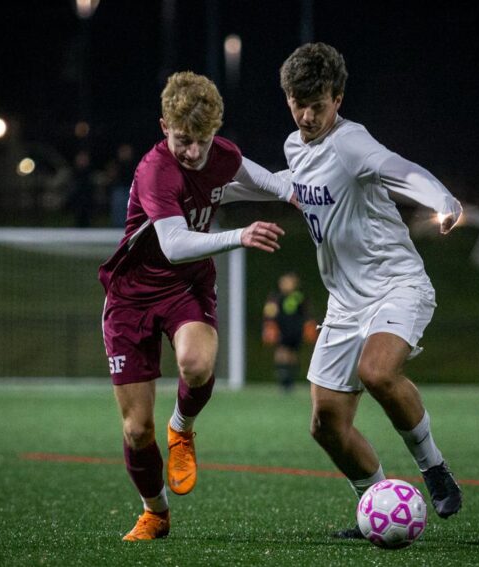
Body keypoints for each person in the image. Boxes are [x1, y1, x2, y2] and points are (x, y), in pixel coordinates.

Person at [278, 43, 464, 538]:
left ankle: (434, 468)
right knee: (325, 425)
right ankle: (375, 507)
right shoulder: (295, 148)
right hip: (345, 302)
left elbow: (396, 168)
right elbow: (285, 182)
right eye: (298, 102)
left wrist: (440, 197)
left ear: (338, 99)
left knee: (377, 371)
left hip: (397, 283)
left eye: (318, 104)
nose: (307, 114)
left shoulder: (351, 141)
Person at [99, 71, 294, 542]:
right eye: (183, 139)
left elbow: (274, 184)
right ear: (164, 125)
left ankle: (182, 428)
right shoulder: (155, 170)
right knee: (135, 428)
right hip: (130, 297)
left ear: (215, 132)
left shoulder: (223, 155)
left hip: (186, 287)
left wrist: (316, 192)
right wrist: (239, 235)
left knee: (196, 364)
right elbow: (172, 243)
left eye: (202, 141)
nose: (192, 151)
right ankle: (155, 512)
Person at [262, 271, 317, 391]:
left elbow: (306, 313)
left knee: (292, 354)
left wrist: (308, 325)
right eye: (283, 282)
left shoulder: (298, 297)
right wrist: (269, 324)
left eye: (288, 282)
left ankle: (290, 380)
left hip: (295, 330)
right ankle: (283, 380)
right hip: (281, 330)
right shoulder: (276, 297)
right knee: (281, 352)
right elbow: (269, 312)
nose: (285, 284)